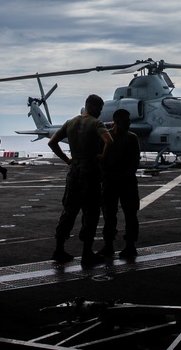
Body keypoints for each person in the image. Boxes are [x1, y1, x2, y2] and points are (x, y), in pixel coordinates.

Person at [49, 94, 112, 265]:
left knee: (69, 210)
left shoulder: (70, 122)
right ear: (92, 107)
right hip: (89, 171)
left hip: (73, 170)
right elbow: (109, 141)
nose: (100, 112)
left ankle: (59, 248)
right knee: (90, 211)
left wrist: (67, 159)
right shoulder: (96, 123)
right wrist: (102, 156)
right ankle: (86, 253)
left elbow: (52, 142)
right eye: (99, 109)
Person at [99, 109, 140, 259]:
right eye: (126, 120)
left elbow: (135, 161)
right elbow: (101, 159)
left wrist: (119, 175)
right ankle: (109, 244)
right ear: (116, 121)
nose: (129, 123)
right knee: (110, 214)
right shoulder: (129, 138)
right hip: (117, 181)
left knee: (128, 214)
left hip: (122, 180)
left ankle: (129, 245)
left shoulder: (131, 138)